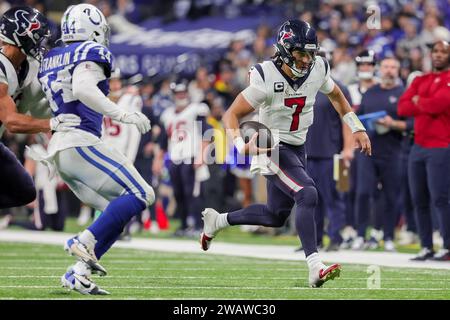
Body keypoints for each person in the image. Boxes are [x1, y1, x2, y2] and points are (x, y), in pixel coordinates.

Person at [199, 20, 371, 288]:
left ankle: (218, 220)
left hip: (298, 146)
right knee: (307, 193)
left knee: (274, 215)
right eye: (300, 53)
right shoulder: (266, 76)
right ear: (284, 50)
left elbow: (336, 95)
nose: (306, 60)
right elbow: (231, 114)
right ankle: (315, 266)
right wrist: (240, 145)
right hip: (271, 145)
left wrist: (356, 127)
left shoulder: (318, 68)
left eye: (310, 53)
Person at [35, 4, 154, 295]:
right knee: (142, 194)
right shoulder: (90, 51)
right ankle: (82, 242)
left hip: (62, 147)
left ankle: (78, 273)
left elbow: (39, 103)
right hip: (79, 141)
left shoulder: (51, 57)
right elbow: (84, 89)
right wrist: (124, 114)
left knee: (116, 214)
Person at [0, 6, 81, 209]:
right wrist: (53, 123)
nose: (41, 44)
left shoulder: (27, 66)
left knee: (24, 191)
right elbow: (12, 122)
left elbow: (38, 108)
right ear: (21, 39)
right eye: (37, 38)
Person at [398, 40, 450, 261]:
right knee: (418, 198)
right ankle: (426, 246)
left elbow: (440, 105)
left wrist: (419, 101)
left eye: (443, 52)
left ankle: (447, 247)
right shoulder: (420, 78)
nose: (438, 55)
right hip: (418, 147)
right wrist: (423, 103)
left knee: (440, 198)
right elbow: (402, 107)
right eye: (435, 51)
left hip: (441, 146)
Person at [352, 57, 406, 252]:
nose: (389, 70)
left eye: (393, 67)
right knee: (363, 193)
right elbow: (358, 121)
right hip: (368, 151)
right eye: (386, 66)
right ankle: (360, 235)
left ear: (398, 70)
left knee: (391, 195)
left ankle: (389, 236)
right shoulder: (370, 93)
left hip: (393, 151)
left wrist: (393, 124)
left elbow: (410, 124)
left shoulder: (403, 94)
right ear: (379, 69)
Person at [158, 80, 211, 237]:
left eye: (183, 92)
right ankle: (183, 225)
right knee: (178, 193)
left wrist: (202, 155)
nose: (181, 96)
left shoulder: (196, 109)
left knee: (193, 193)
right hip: (175, 157)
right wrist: (158, 159)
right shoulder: (167, 114)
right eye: (178, 93)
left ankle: (197, 226)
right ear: (174, 95)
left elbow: (206, 133)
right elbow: (162, 140)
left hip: (191, 156)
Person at [341, 50, 378, 249]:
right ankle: (347, 229)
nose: (365, 68)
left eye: (369, 65)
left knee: (367, 191)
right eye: (362, 65)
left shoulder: (379, 89)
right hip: (348, 147)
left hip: (373, 149)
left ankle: (368, 230)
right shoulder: (348, 90)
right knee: (346, 189)